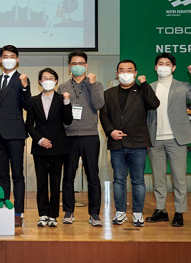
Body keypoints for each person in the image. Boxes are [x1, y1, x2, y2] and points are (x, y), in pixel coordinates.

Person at [99, 59, 160, 227]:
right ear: (117, 73)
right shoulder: (108, 93)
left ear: (135, 73)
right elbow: (104, 115)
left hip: (138, 143)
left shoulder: (142, 91)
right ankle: (120, 212)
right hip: (117, 143)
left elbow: (154, 104)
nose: (125, 73)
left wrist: (144, 84)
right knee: (118, 180)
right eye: (122, 70)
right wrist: (110, 131)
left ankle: (138, 213)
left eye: (129, 70)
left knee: (138, 181)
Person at [146, 53, 191, 227]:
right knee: (158, 178)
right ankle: (161, 210)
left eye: (167, 64)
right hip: (155, 139)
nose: (163, 67)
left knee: (179, 178)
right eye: (160, 63)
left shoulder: (182, 86)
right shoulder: (149, 87)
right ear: (155, 67)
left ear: (173, 68)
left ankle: (179, 212)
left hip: (176, 139)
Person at [58, 51, 105, 227]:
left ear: (86, 65)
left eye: (81, 63)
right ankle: (68, 211)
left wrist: (91, 85)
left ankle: (94, 213)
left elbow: (99, 105)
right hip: (68, 136)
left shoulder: (96, 84)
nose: (77, 66)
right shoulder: (63, 87)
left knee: (92, 175)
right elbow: (60, 113)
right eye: (74, 63)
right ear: (69, 66)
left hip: (90, 135)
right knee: (68, 175)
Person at [0, 45, 31, 227]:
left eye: (12, 56)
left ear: (17, 59)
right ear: (0, 59)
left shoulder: (22, 79)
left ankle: (18, 212)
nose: (8, 59)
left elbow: (28, 106)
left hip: (16, 134)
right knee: (2, 175)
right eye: (5, 56)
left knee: (17, 175)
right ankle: (4, 209)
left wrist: (25, 87)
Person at [26, 68, 73, 227]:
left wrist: (67, 103)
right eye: (44, 78)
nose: (48, 81)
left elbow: (68, 120)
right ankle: (43, 214)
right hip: (39, 147)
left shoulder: (62, 99)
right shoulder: (33, 100)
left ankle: (53, 215)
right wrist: (39, 139)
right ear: (39, 81)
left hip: (57, 146)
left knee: (55, 181)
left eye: (51, 78)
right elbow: (29, 124)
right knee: (41, 182)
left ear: (56, 81)